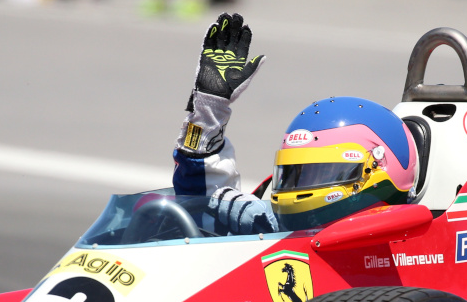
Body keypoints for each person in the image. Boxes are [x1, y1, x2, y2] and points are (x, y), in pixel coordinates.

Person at [172, 13, 419, 235]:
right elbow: (203, 203)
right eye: (294, 175)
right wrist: (207, 112)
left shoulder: (420, 252)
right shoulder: (275, 225)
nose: (298, 190)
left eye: (320, 173)